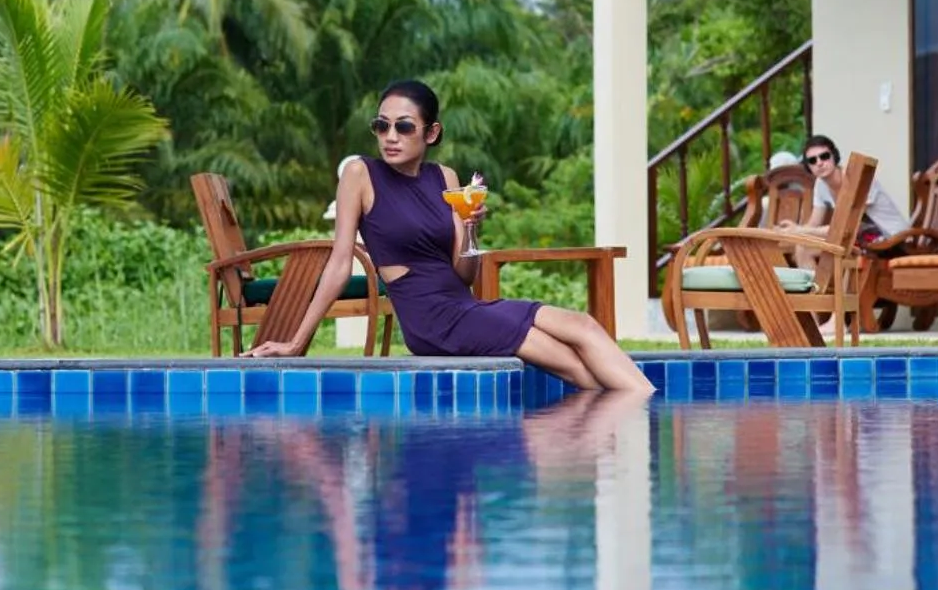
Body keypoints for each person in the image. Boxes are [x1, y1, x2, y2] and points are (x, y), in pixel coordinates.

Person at [249, 79, 653, 394]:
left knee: (581, 327)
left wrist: (471, 227)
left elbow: (464, 274)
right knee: (565, 361)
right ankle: (642, 424)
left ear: (431, 132)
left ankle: (640, 413)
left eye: (404, 126)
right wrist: (296, 342)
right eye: (381, 125)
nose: (390, 136)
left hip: (462, 304)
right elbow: (339, 265)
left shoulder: (444, 178)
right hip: (430, 320)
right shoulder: (360, 174)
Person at [795, 134, 913, 331]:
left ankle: (837, 320)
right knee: (803, 249)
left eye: (824, 156)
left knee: (844, 248)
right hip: (860, 238)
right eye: (813, 160)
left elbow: (845, 225)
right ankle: (813, 318)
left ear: (834, 156)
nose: (820, 163)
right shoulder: (821, 185)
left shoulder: (857, 180)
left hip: (891, 241)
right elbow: (814, 224)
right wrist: (796, 232)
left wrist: (799, 230)